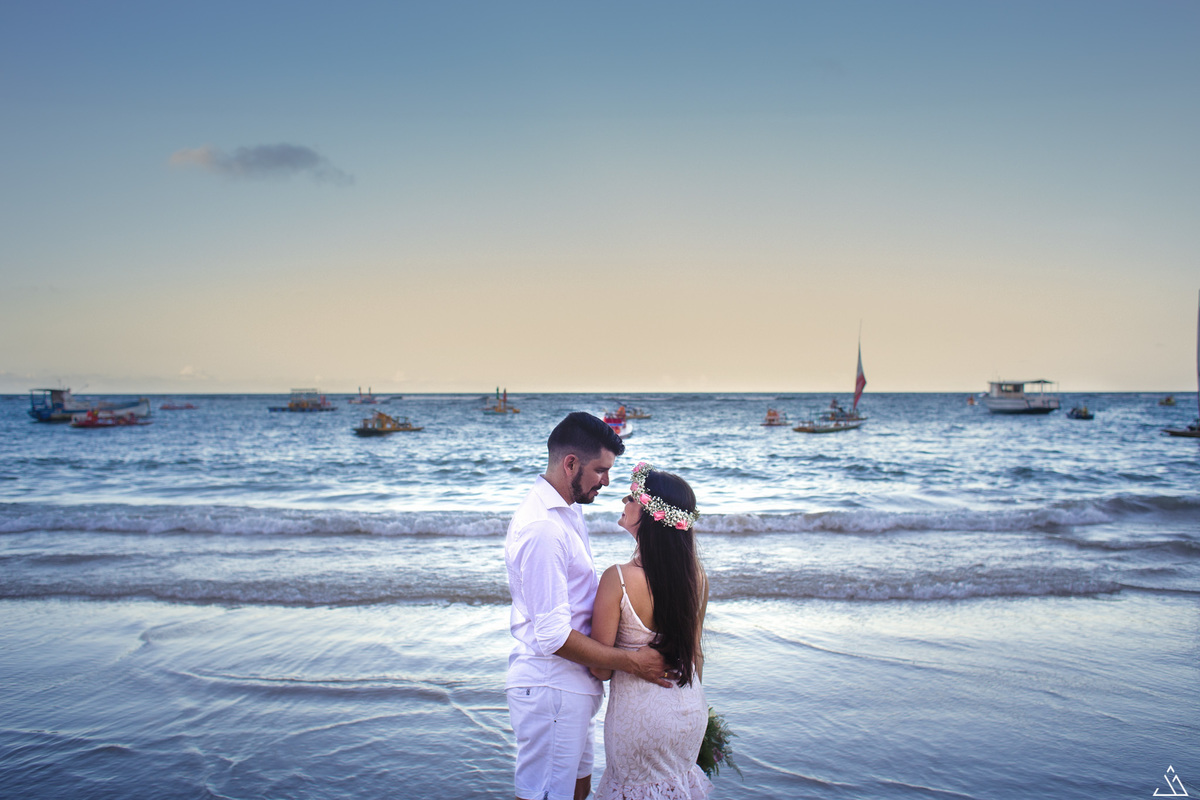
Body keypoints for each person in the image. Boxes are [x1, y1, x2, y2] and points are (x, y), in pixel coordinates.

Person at [506, 413, 672, 800]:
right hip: (552, 687)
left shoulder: (568, 509)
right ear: (570, 464)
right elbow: (552, 636)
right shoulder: (544, 529)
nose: (607, 482)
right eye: (600, 470)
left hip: (571, 687)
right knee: (546, 796)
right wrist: (632, 662)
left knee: (577, 791)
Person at [589, 462, 712, 800]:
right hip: (689, 710)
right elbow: (695, 655)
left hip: (640, 722)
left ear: (650, 514)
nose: (623, 503)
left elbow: (599, 668)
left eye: (631, 497)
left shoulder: (618, 579)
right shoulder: (696, 578)